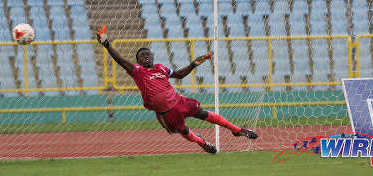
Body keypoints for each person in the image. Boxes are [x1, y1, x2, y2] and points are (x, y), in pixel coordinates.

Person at [97, 25, 258, 154]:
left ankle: (236, 130)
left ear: (153, 57)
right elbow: (121, 60)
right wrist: (107, 44)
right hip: (167, 112)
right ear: (137, 61)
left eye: (148, 55)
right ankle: (202, 142)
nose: (146, 57)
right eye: (142, 56)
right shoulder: (138, 71)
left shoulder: (161, 68)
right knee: (183, 131)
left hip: (179, 101)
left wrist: (193, 64)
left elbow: (179, 75)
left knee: (203, 113)